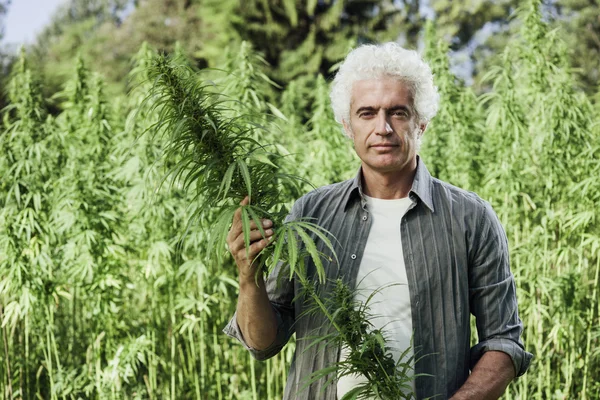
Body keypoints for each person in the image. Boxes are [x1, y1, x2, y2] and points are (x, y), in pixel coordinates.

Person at [224, 42, 532, 400]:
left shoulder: (471, 218)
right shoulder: (310, 215)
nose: (382, 127)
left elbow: (503, 343)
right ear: (347, 125)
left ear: (422, 123)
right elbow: (263, 343)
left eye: (398, 112)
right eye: (367, 113)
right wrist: (249, 278)